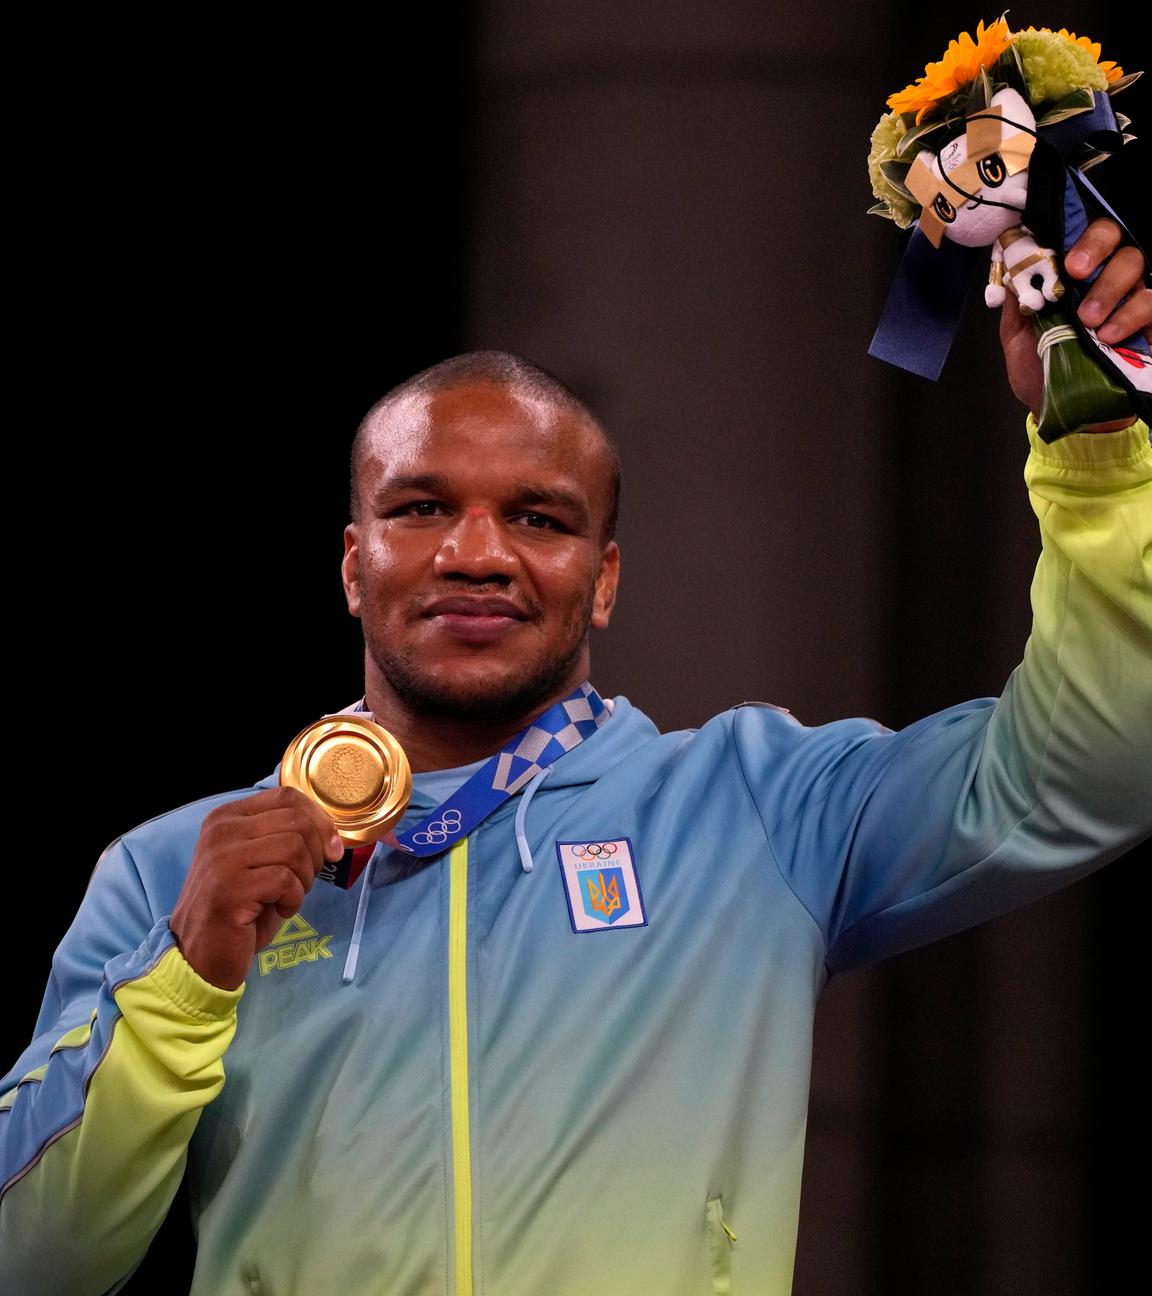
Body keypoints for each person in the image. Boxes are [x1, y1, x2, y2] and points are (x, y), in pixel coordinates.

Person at [2, 222, 1149, 1296]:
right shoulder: (175, 878)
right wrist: (190, 981)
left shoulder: (753, 808)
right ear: (354, 566)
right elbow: (34, 1261)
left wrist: (1099, 460)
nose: (477, 553)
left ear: (602, 579)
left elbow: (1094, 770)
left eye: (541, 520)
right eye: (420, 509)